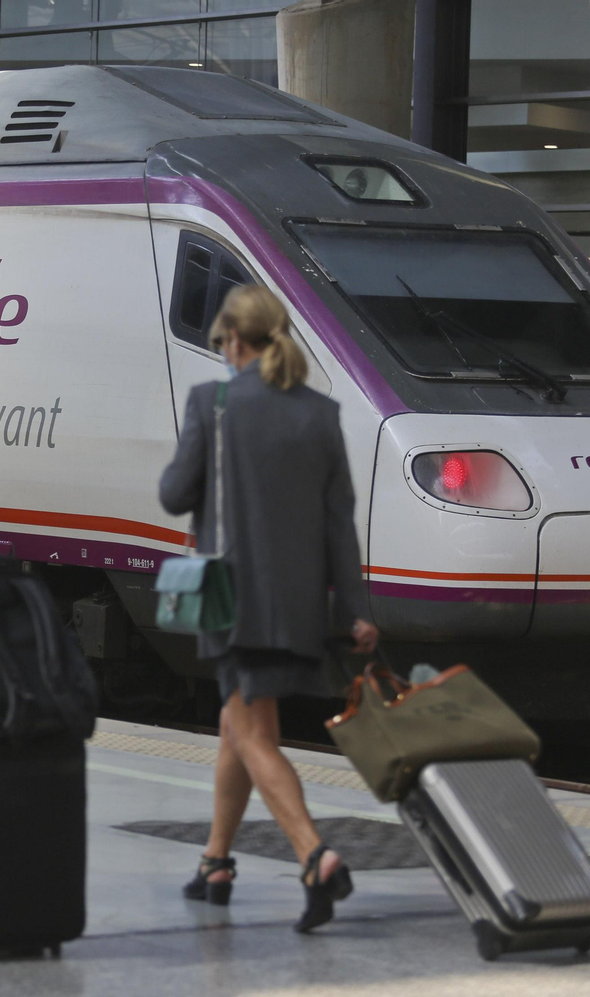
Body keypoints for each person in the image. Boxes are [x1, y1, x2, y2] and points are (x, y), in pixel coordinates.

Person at [159, 285, 380, 933]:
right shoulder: (320, 412)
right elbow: (341, 520)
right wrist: (357, 609)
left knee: (253, 734)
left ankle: (316, 856)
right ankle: (215, 863)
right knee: (243, 726)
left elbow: (174, 493)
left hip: (231, 605)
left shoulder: (214, 402)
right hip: (302, 606)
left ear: (232, 338)